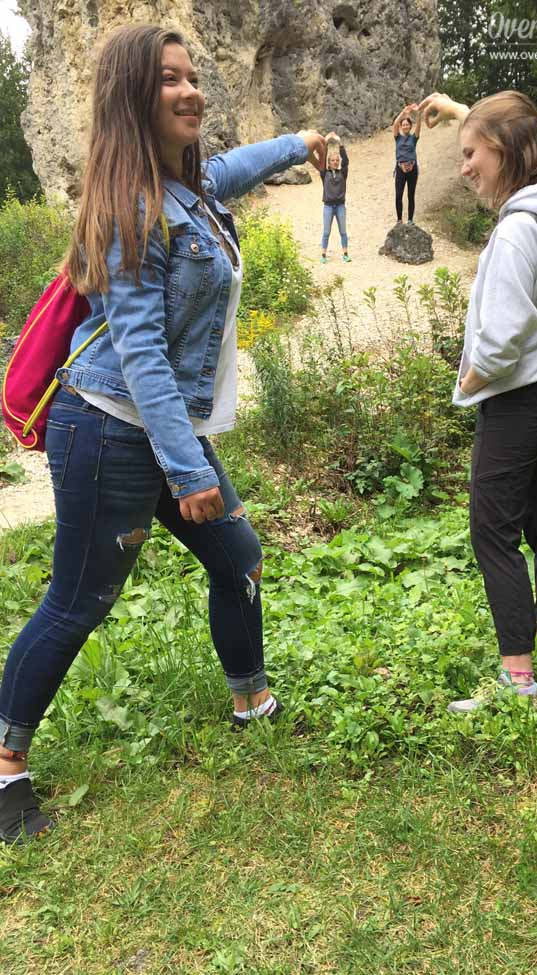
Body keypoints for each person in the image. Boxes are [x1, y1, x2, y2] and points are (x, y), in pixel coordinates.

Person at [0, 24, 325, 844]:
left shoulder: (190, 187)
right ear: (132, 101)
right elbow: (140, 350)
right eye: (167, 81)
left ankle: (251, 698)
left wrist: (302, 142)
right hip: (112, 427)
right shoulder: (132, 204)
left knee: (237, 557)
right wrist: (187, 470)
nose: (190, 92)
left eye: (191, 77)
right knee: (78, 602)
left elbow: (234, 167)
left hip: (161, 425)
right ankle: (4, 768)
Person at [418, 90, 537, 713]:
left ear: (505, 150)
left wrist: (470, 379)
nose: (464, 166)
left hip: (515, 394)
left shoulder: (518, 229)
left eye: (471, 154)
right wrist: (461, 111)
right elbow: (516, 133)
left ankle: (517, 678)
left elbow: (505, 329)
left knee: (492, 528)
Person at [320, 132, 350, 263]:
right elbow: (321, 159)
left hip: (340, 205)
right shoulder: (324, 174)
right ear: (329, 162)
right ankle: (323, 255)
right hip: (328, 206)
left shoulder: (342, 173)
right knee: (326, 231)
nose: (335, 162)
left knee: (343, 231)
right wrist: (326, 143)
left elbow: (346, 161)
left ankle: (345, 254)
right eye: (333, 160)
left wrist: (340, 143)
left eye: (337, 160)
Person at [392, 104, 422, 224]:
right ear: (401, 126)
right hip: (400, 169)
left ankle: (410, 220)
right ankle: (399, 219)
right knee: (399, 195)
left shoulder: (414, 138)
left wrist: (418, 114)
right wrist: (403, 113)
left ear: (410, 126)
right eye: (403, 125)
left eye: (407, 124)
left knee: (411, 195)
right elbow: (395, 124)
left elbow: (419, 126)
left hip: (412, 169)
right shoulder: (397, 137)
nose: (405, 126)